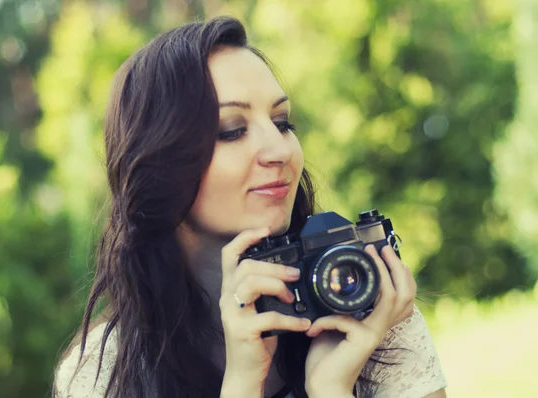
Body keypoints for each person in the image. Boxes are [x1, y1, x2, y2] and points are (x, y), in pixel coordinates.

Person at [53, 16, 447, 398]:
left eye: (282, 122)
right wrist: (243, 385)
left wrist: (331, 390)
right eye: (232, 130)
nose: (279, 150)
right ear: (158, 166)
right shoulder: (103, 374)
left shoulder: (370, 313)